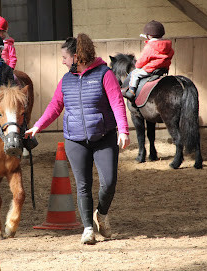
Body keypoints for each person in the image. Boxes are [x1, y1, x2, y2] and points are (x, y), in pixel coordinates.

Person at [24, 33, 130, 245]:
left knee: (108, 182)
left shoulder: (104, 74)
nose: (62, 61)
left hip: (104, 136)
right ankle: (88, 229)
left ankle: (101, 214)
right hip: (75, 139)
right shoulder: (66, 80)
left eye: (65, 57)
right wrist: (38, 126)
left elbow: (117, 102)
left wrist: (123, 130)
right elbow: (55, 106)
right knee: (83, 185)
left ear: (77, 56)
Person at [125, 20, 174, 102]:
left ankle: (131, 91)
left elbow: (141, 61)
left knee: (134, 74)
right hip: (163, 70)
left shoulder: (150, 46)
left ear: (149, 36)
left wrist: (138, 66)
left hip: (150, 70)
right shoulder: (168, 46)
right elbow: (171, 53)